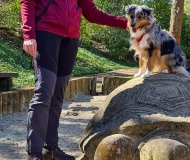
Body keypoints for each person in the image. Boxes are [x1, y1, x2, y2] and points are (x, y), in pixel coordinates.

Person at [20, 0, 127, 159]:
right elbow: (27, 2)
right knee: (44, 92)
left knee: (58, 95)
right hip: (46, 34)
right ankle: (34, 152)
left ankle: (50, 148)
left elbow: (91, 13)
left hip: (70, 39)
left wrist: (126, 23)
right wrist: (29, 34)